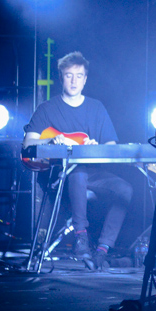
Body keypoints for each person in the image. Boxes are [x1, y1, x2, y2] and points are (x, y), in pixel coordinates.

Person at [23, 51, 132, 270]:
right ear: (61, 77)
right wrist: (52, 142)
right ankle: (81, 237)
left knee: (125, 190)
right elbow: (28, 146)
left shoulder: (96, 108)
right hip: (57, 177)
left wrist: (96, 149)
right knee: (78, 171)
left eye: (79, 76)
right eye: (69, 75)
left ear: (85, 79)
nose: (74, 81)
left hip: (92, 175)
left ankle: (102, 249)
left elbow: (110, 148)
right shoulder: (47, 109)